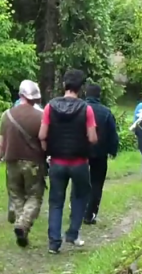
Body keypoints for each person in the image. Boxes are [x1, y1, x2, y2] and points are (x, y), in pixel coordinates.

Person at [39, 69, 98, 254]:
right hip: (79, 162)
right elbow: (93, 137)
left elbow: (42, 134)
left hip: (57, 162)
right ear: (80, 89)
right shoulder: (86, 109)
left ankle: (54, 243)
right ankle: (72, 233)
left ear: (64, 85)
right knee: (80, 196)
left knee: (56, 201)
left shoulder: (50, 107)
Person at [0, 80, 46, 247]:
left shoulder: (7, 115)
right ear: (36, 98)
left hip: (11, 162)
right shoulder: (42, 116)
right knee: (35, 196)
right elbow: (45, 142)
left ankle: (21, 228)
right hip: (33, 164)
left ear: (20, 95)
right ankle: (23, 224)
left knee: (16, 196)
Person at [83, 83, 118, 225]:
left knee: (81, 181)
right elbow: (112, 134)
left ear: (86, 94)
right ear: (99, 95)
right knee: (97, 183)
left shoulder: (79, 109)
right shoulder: (106, 112)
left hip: (81, 151)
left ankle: (77, 209)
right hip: (100, 152)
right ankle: (90, 214)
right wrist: (113, 150)